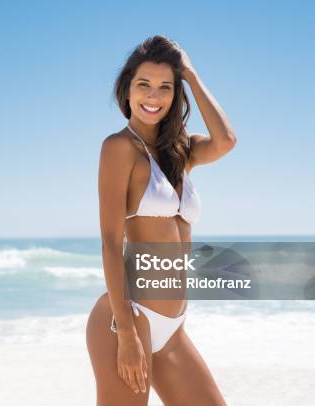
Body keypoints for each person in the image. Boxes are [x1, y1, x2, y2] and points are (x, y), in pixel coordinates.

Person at [86, 35, 236, 405]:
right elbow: (109, 241)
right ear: (127, 90)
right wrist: (125, 334)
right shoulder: (119, 149)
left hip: (172, 329)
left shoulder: (180, 151)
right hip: (128, 317)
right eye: (144, 85)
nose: (153, 97)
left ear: (175, 95)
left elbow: (226, 140)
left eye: (165, 87)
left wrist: (192, 76)